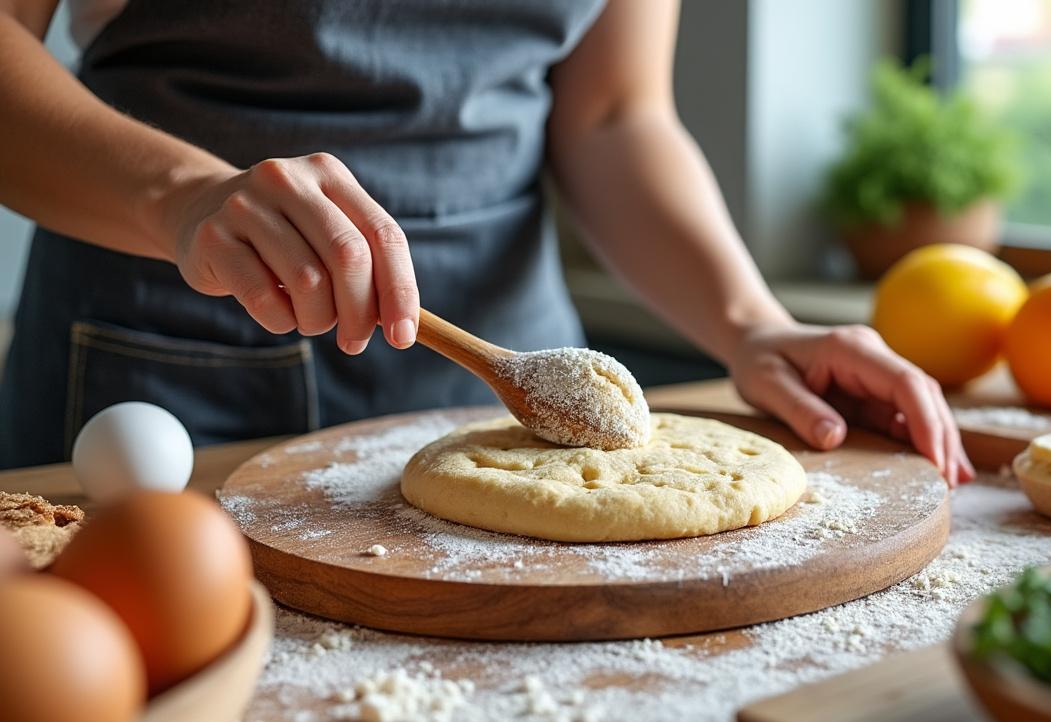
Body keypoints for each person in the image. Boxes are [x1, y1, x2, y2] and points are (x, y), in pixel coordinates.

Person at [0, 0, 974, 485]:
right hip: (171, 344)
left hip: (505, 368)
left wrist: (752, 323)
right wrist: (186, 196)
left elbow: (614, 117)